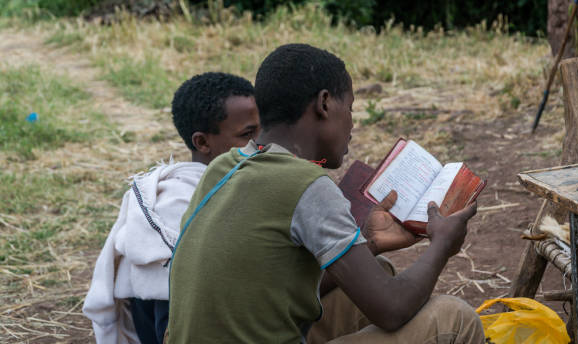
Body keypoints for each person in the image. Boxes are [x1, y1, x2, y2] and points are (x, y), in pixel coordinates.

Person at [168, 44, 484, 344]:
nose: (352, 124)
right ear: (324, 104)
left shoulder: (223, 167)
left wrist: (371, 244)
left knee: (372, 279)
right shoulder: (306, 183)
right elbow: (392, 309)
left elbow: (275, 285)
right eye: (350, 108)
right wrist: (442, 244)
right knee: (453, 318)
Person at [83, 72, 261, 344]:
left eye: (263, 129)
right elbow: (176, 323)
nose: (261, 143)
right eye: (248, 134)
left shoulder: (247, 183)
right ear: (202, 142)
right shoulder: (175, 206)